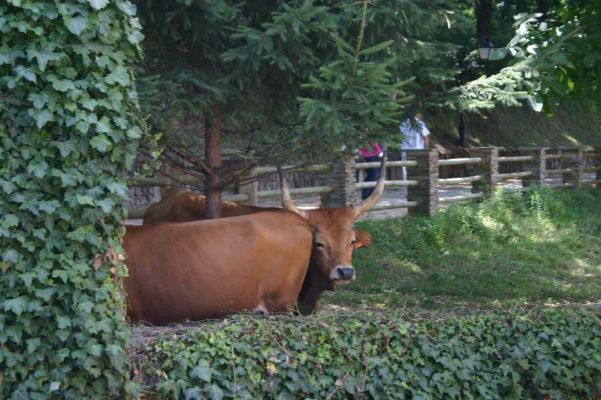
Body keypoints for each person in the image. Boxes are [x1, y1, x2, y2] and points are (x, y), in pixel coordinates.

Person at [400, 112, 430, 196]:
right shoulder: (420, 124)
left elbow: (399, 137)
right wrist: (426, 151)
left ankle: (407, 192)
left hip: (405, 150)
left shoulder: (403, 124)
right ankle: (417, 190)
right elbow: (426, 138)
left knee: (405, 171)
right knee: (418, 171)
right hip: (417, 151)